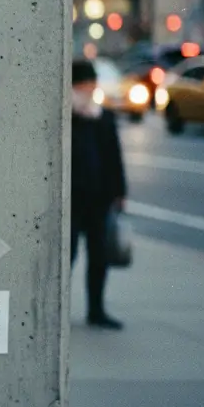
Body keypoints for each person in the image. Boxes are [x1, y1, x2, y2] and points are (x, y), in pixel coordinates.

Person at [70, 58, 127, 330]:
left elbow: (114, 156)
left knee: (99, 255)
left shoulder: (103, 116)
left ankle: (96, 309)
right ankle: (56, 309)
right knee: (65, 256)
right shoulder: (65, 116)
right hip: (70, 199)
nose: (89, 89)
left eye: (92, 84)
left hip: (99, 197)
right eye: (84, 84)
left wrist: (119, 192)